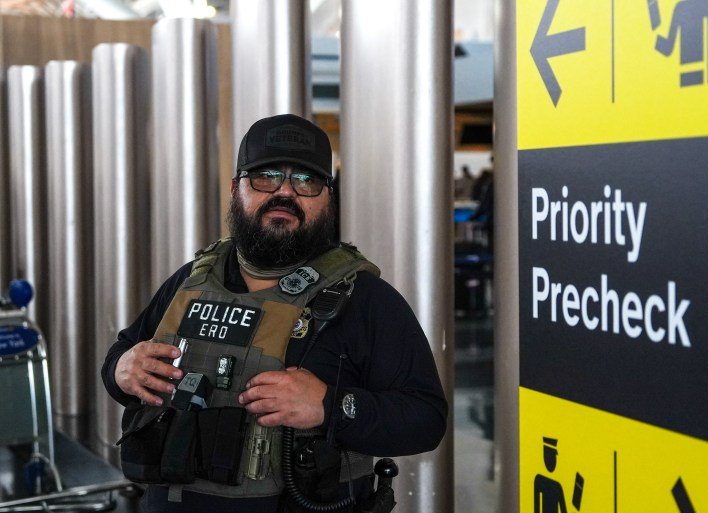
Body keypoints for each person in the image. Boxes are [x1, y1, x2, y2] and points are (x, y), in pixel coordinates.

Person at [101, 113, 448, 513]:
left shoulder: (364, 299)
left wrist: (329, 406)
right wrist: (122, 369)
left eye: (306, 180)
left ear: (327, 199)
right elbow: (122, 358)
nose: (285, 193)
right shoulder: (192, 280)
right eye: (266, 176)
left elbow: (425, 419)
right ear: (236, 189)